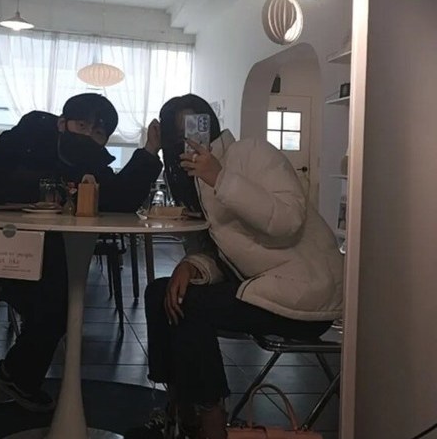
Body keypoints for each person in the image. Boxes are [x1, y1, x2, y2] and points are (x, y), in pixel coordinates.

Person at [0, 93, 163, 439]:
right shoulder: (25, 138)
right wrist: (41, 189)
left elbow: (120, 199)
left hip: (45, 254)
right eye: (81, 125)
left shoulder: (92, 162)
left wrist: (148, 153)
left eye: (98, 132)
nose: (88, 136)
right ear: (62, 123)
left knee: (63, 302)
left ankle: (19, 376)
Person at [127, 94, 343, 439]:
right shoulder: (191, 183)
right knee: (160, 293)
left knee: (190, 305)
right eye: (177, 136)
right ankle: (180, 409)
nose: (189, 141)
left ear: (210, 125)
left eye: (196, 128)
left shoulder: (251, 153)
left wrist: (220, 177)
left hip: (307, 293)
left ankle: (211, 422)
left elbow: (288, 221)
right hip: (258, 286)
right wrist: (191, 266)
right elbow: (219, 256)